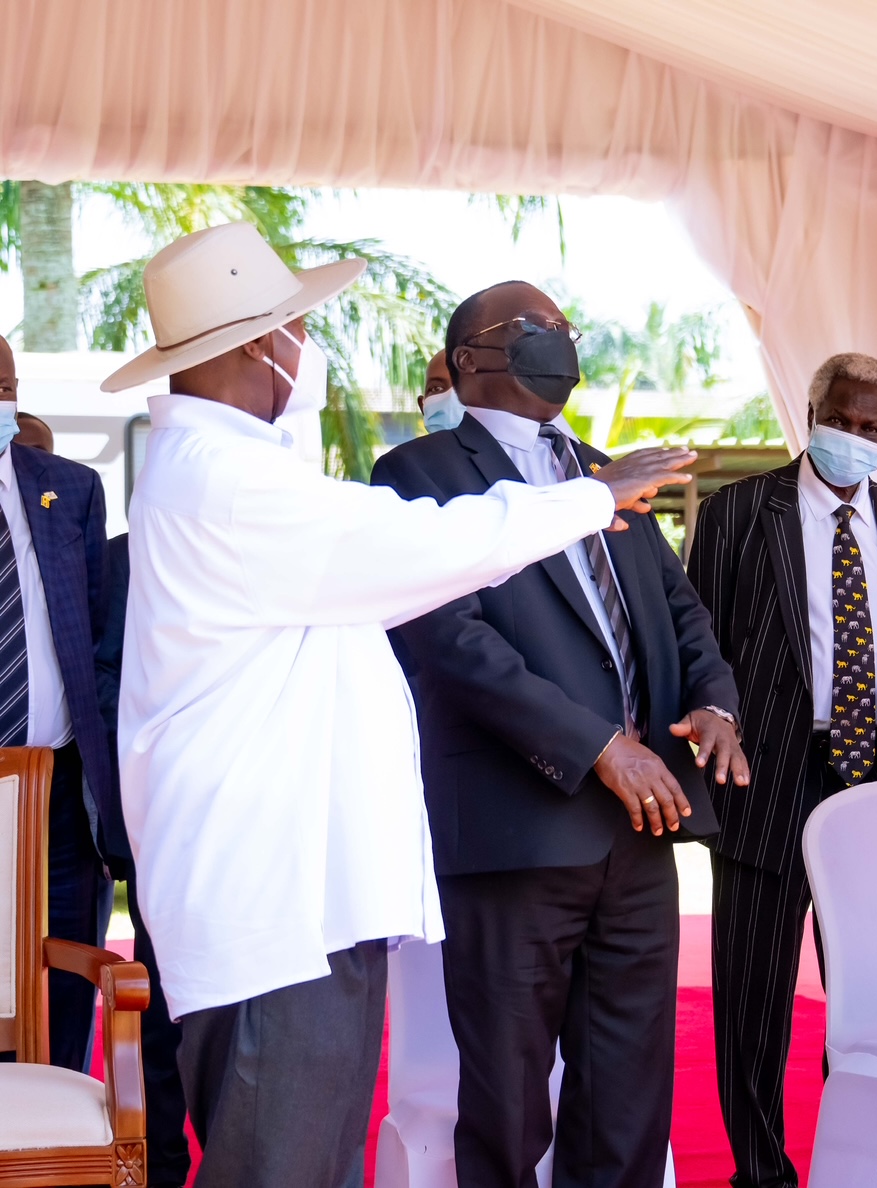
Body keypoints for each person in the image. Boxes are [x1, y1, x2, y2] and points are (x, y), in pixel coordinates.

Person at [106, 223, 696, 1187]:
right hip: (275, 907)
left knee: (311, 1158)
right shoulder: (224, 480)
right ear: (262, 345)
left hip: (300, 897)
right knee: (282, 1166)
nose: (308, 349)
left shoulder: (229, 473)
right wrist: (595, 496)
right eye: (296, 327)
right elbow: (420, 548)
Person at [372, 280, 744, 1188]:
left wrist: (717, 701)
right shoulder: (417, 475)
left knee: (626, 1099)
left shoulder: (599, 468)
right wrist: (597, 747)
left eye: (567, 329)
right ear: (469, 360)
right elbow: (451, 639)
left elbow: (679, 610)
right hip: (516, 829)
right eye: (537, 330)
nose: (562, 343)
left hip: (642, 833)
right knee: (505, 1100)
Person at [686, 351, 877, 1188]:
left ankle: (852, 1159)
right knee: (752, 1001)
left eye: (872, 428)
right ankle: (761, 1173)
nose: (854, 438)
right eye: (842, 419)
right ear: (812, 409)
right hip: (768, 778)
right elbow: (701, 645)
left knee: (868, 992)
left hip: (870, 788)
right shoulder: (737, 512)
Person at [0, 334, 115, 1078]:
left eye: (1, 378)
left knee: (68, 991)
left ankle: (58, 1140)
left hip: (62, 794)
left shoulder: (66, 489)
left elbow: (99, 643)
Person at [94, 527, 190, 1188]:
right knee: (156, 1019)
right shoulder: (127, 554)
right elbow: (106, 683)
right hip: (160, 820)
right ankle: (159, 1168)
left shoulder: (280, 532)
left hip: (262, 829)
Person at [418, 347, 465, 433]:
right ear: (422, 407)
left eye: (465, 386)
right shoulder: (409, 447)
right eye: (436, 388)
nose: (451, 397)